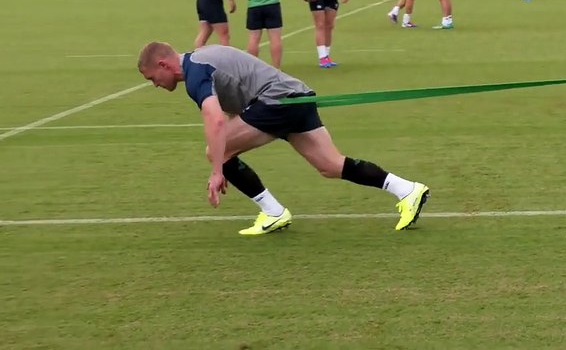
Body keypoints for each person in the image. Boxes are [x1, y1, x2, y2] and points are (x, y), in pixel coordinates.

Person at [136, 42, 430, 235]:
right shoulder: (200, 61)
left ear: (164, 65)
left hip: (275, 102)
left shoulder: (195, 71)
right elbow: (230, 109)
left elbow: (214, 121)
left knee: (216, 151)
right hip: (294, 97)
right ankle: (407, 190)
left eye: (152, 79)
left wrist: (217, 170)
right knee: (330, 165)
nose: (155, 86)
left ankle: (273, 211)